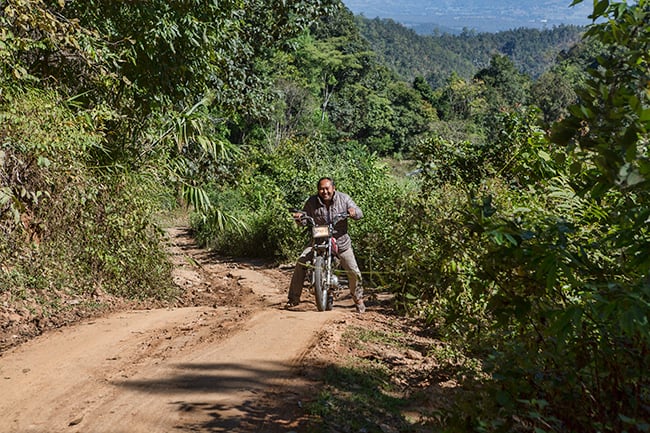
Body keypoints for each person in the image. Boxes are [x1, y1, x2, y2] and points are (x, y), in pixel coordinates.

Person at [286, 177, 366, 313]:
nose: (324, 191)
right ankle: (293, 299)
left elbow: (359, 213)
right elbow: (304, 218)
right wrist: (299, 218)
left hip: (341, 242)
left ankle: (358, 300)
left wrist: (353, 212)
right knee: (301, 262)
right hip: (318, 241)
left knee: (354, 271)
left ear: (333, 188)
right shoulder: (312, 202)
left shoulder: (344, 199)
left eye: (327, 188)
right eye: (321, 189)